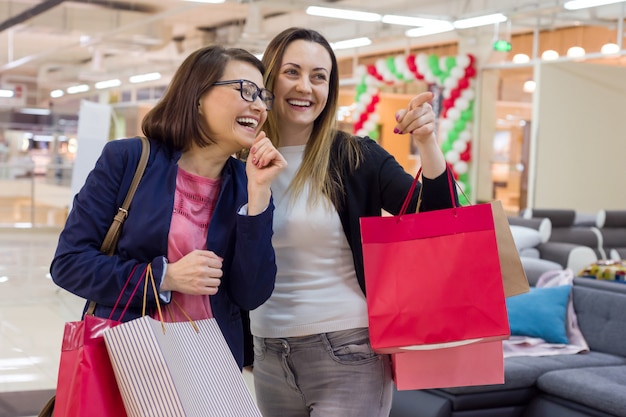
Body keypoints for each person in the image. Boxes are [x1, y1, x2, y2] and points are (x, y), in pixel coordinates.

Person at [249, 27, 457, 416]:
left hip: (346, 351)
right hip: (268, 353)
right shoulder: (242, 161)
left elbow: (439, 221)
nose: (305, 87)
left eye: (318, 76)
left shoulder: (354, 156)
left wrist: (428, 143)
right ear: (269, 77)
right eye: (292, 72)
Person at [50, 45, 287, 369]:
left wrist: (259, 195)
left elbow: (252, 294)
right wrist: (163, 277)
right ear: (198, 96)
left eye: (263, 96)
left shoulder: (247, 185)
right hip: (129, 361)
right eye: (246, 90)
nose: (259, 106)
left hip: (211, 369)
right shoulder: (128, 159)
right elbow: (69, 263)